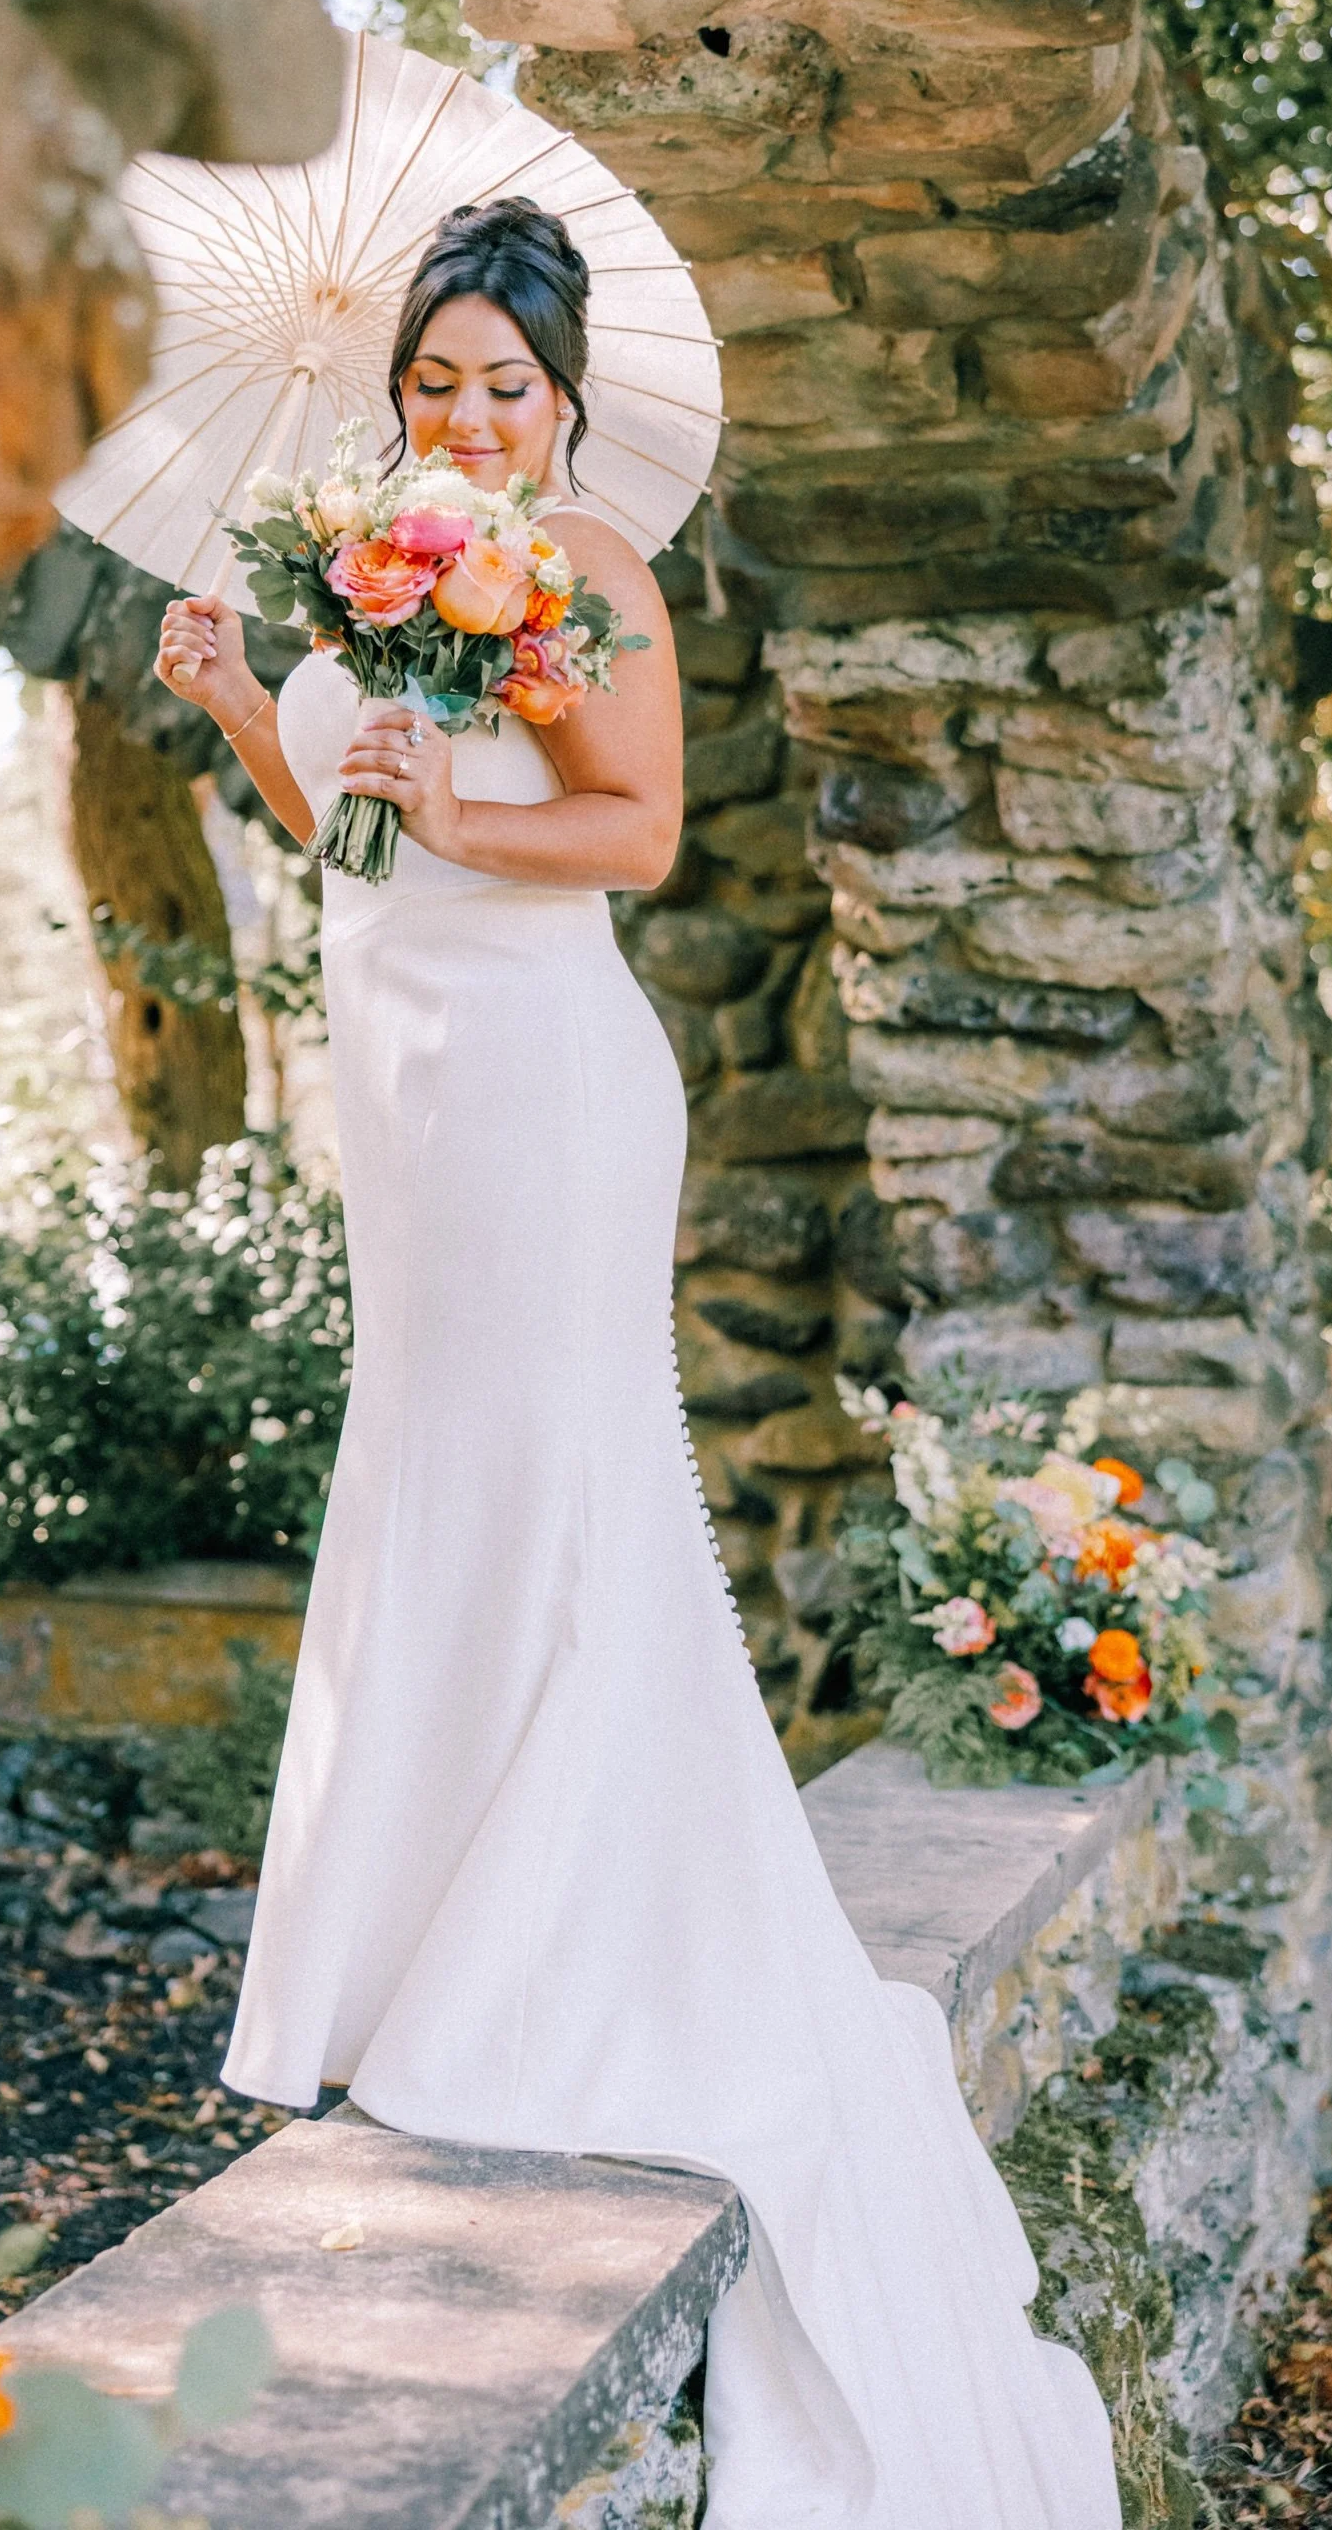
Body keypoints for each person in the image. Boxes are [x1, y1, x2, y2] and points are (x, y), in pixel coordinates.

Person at [153, 197, 1120, 2530]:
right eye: (435, 382)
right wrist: (234, 707)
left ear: (566, 399)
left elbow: (633, 833)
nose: (467, 416)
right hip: (401, 1068)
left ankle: (557, 1938)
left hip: (542, 1079)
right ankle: (406, 1945)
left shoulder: (576, 560)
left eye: (501, 382)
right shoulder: (367, 563)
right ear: (391, 395)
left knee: (548, 1464)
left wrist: (452, 780)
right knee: (432, 1467)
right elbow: (364, 837)